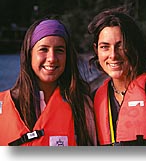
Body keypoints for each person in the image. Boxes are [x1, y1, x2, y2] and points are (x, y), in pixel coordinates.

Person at [0, 16, 97, 146]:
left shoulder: (82, 106)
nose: (52, 58)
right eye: (43, 49)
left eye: (59, 50)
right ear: (29, 54)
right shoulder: (3, 105)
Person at [88, 6, 146, 146]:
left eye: (121, 45)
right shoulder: (94, 98)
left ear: (134, 46)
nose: (113, 55)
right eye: (105, 47)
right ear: (96, 50)